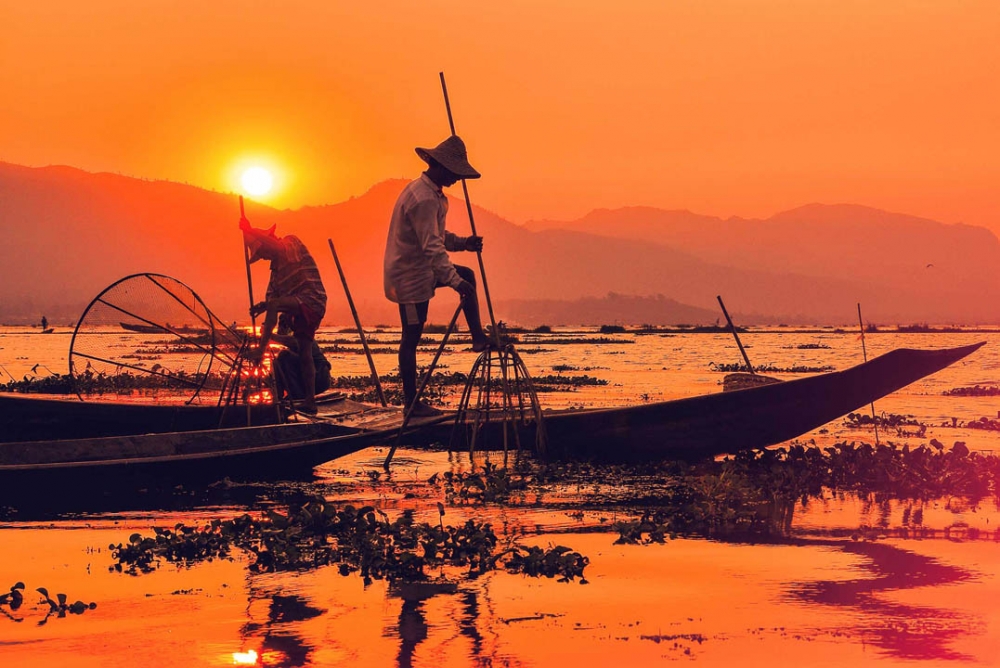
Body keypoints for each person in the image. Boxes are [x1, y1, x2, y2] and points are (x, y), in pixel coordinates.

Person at [383, 135, 489, 417]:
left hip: (421, 270)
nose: (455, 179)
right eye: (453, 173)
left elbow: (436, 236)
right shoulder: (424, 199)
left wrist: (463, 243)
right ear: (440, 167)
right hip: (409, 278)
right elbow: (431, 247)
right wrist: (454, 282)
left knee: (466, 274)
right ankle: (411, 403)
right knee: (412, 335)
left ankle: (478, 337)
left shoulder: (431, 195)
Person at [241, 218, 327, 414]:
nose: (263, 257)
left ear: (265, 243)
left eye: (262, 252)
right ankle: (309, 401)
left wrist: (250, 230)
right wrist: (261, 307)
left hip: (313, 299)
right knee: (304, 352)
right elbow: (272, 299)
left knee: (303, 347)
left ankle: (260, 351)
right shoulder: (276, 272)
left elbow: (278, 249)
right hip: (299, 306)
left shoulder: (290, 242)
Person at [271, 313, 332, 402]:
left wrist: (271, 335)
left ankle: (297, 397)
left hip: (319, 377)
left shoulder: (302, 335)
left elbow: (295, 342)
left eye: (283, 324)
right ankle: (279, 398)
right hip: (308, 377)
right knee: (277, 363)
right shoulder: (294, 335)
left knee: (284, 355)